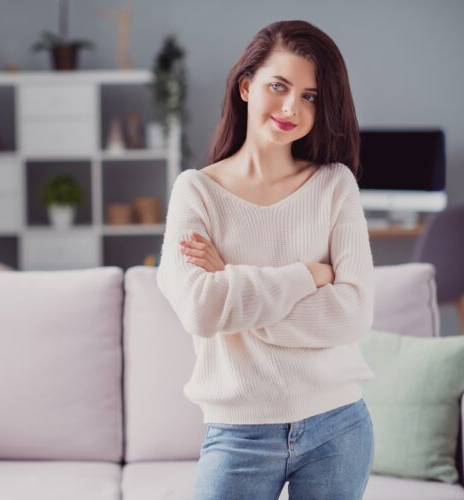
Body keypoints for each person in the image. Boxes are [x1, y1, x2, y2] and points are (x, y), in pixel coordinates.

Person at [155, 20, 376, 500]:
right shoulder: (197, 191)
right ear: (246, 85)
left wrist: (233, 285)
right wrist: (309, 275)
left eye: (311, 96)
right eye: (279, 86)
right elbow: (201, 311)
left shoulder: (336, 185)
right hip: (239, 433)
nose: (292, 107)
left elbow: (352, 315)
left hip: (338, 426)